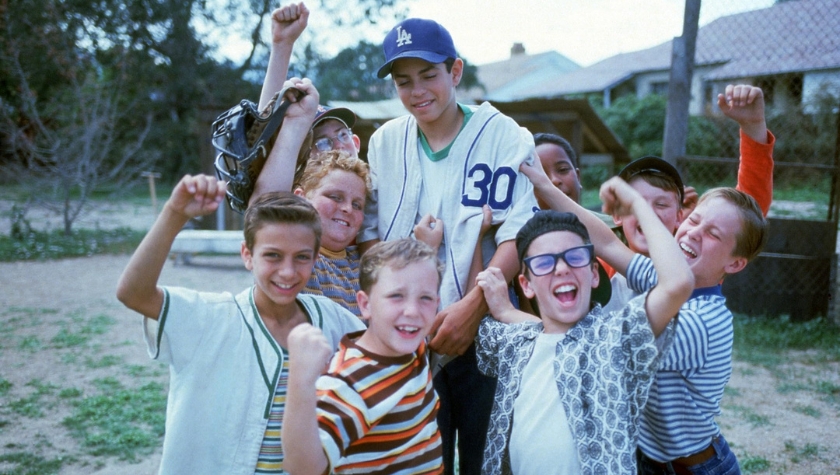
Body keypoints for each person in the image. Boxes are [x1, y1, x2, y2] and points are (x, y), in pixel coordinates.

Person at [359, 17, 539, 474]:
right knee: (419, 462)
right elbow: (371, 235)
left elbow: (518, 232)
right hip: (409, 334)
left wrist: (473, 308)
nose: (417, 91)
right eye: (403, 81)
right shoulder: (384, 143)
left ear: (455, 71)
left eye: (428, 75)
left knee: (488, 461)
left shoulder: (505, 135)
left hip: (487, 329)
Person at [524, 161, 768, 475]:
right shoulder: (665, 281)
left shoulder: (701, 322)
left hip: (696, 468)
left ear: (734, 264)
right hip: (652, 460)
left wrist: (510, 315)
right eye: (694, 220)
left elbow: (601, 351)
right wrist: (543, 185)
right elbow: (608, 243)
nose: (693, 234)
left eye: (713, 235)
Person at [115, 177, 365, 474]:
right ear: (247, 255)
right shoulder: (211, 318)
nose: (287, 271)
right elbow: (133, 293)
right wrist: (175, 213)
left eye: (301, 258)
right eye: (272, 255)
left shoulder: (333, 319)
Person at [473, 176, 694, 474]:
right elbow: (480, 312)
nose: (562, 268)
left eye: (574, 257)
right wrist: (478, 241)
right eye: (544, 262)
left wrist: (640, 207)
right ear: (526, 284)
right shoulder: (516, 342)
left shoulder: (616, 338)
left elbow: (678, 283)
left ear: (593, 274)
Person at [282, 238, 444, 474]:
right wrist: (300, 381)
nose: (412, 311)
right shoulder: (347, 384)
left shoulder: (413, 347)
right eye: (396, 296)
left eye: (425, 298)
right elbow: (303, 468)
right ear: (365, 304)